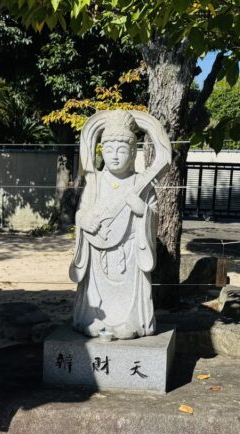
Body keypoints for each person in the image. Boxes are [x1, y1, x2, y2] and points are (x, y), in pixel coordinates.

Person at [69, 110, 171, 340]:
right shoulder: (95, 182)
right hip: (98, 251)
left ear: (133, 152)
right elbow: (82, 212)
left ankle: (132, 321)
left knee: (132, 288)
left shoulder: (141, 183)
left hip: (131, 250)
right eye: (108, 150)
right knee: (95, 289)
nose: (114, 156)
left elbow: (153, 214)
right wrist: (85, 220)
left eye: (122, 150)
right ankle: (91, 320)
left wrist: (142, 211)